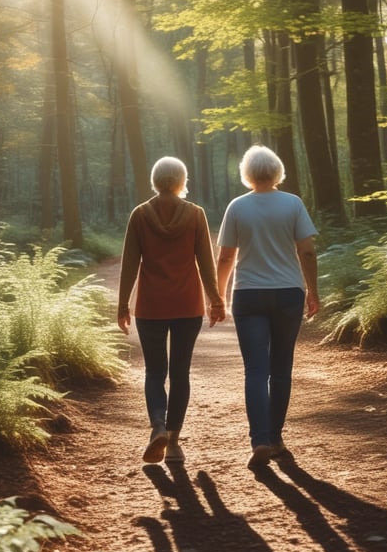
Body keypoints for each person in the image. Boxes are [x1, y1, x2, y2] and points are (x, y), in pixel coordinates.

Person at [216, 144, 320, 469]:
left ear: (247, 173)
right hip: (288, 293)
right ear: (277, 171)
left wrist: (218, 295)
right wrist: (313, 291)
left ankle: (259, 439)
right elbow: (307, 252)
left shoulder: (237, 207)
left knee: (256, 371)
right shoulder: (293, 203)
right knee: (281, 368)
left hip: (249, 295)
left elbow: (225, 257)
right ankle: (275, 438)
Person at [118, 156, 226, 465]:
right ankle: (174, 441)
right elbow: (206, 260)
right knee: (180, 373)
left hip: (150, 306)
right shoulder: (195, 214)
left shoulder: (139, 215)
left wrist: (123, 304)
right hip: (187, 305)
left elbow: (129, 264)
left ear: (154, 180)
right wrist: (215, 300)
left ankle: (158, 428)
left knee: (154, 371)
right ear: (182, 180)